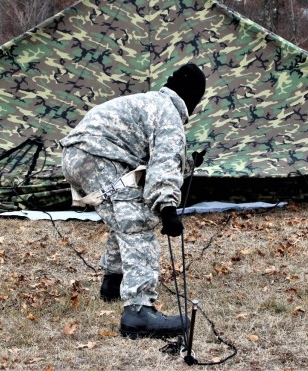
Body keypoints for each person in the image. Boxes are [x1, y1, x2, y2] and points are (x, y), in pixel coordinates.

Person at [60, 63, 207, 339]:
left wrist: (186, 165)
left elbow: (146, 163)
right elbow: (163, 165)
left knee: (124, 217)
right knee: (138, 223)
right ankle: (138, 312)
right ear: (193, 98)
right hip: (98, 156)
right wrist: (167, 208)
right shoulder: (169, 116)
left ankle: (113, 282)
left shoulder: (150, 102)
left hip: (77, 154)